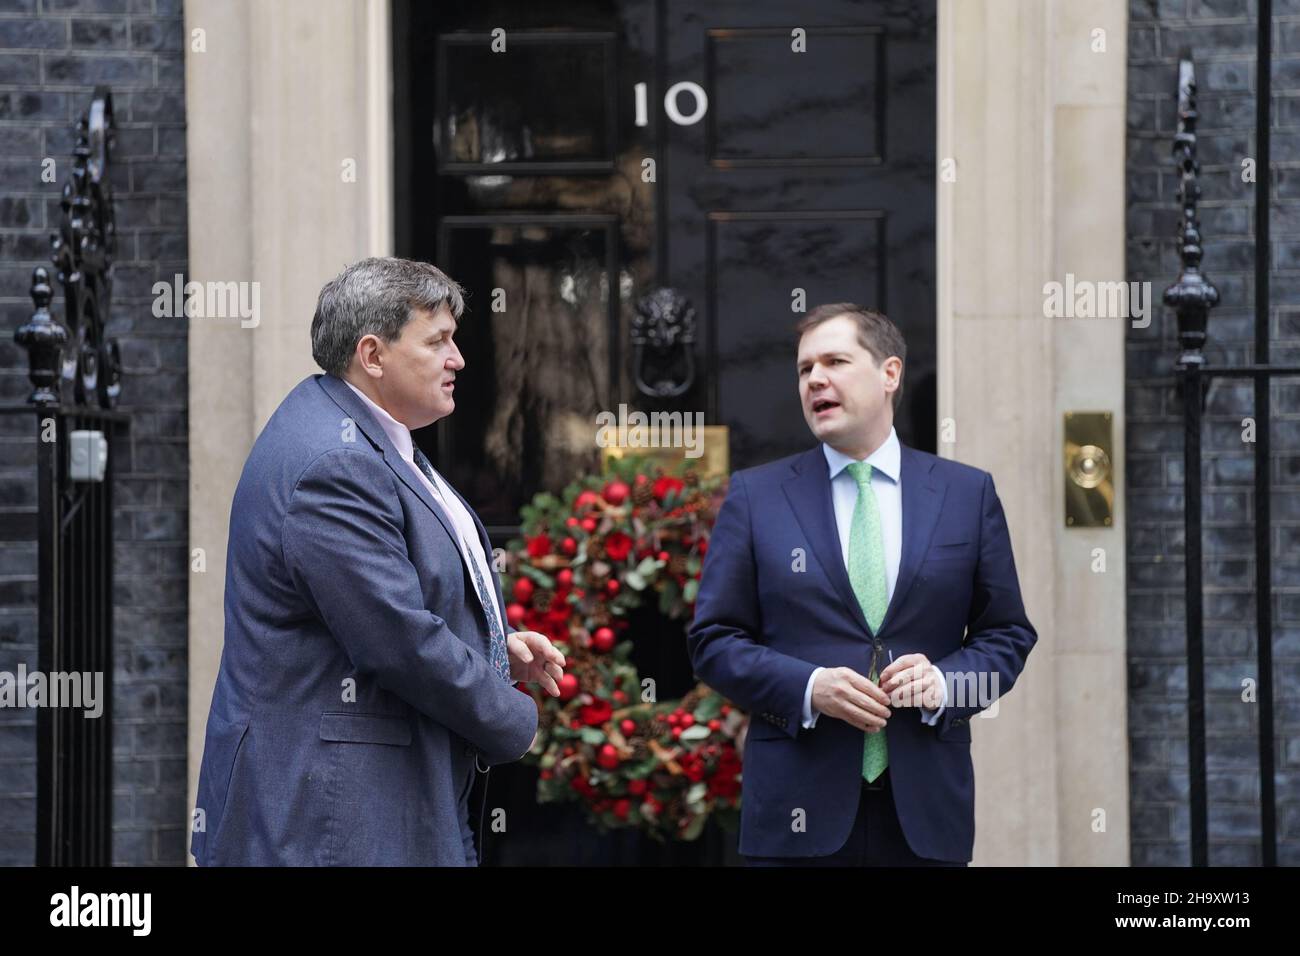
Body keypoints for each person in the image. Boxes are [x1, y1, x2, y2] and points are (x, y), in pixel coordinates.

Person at [192, 257, 564, 866]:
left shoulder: (361, 435)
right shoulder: (335, 462)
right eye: (438, 340)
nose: (458, 359)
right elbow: (396, 640)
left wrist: (494, 646)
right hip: (331, 821)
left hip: (364, 808)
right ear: (373, 354)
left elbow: (394, 596)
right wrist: (513, 718)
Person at [688, 303, 1037, 866]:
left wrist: (947, 685)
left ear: (889, 373)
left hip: (925, 817)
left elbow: (1007, 636)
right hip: (795, 818)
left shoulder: (966, 495)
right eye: (804, 369)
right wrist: (809, 688)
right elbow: (714, 641)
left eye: (835, 361)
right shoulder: (757, 497)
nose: (815, 380)